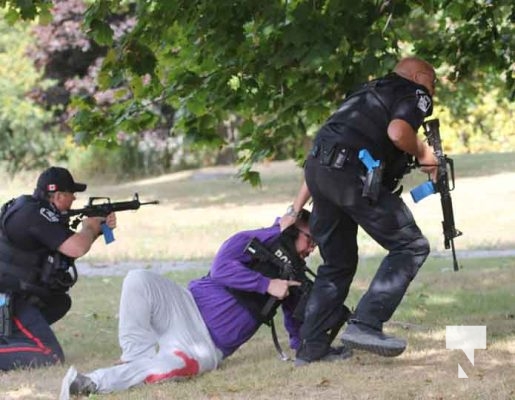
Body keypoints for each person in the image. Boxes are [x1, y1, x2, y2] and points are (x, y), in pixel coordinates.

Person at [60, 210, 350, 398]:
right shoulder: (248, 240)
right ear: (290, 230)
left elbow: (294, 320)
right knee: (138, 278)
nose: (312, 248)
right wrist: (266, 284)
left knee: (166, 367)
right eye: (310, 239)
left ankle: (91, 383)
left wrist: (305, 347)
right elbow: (222, 269)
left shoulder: (293, 274)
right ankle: (136, 354)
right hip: (184, 305)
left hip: (206, 347)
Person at [281, 56, 439, 364]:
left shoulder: (365, 93)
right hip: (350, 173)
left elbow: (324, 152)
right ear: (420, 76)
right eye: (432, 84)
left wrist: (295, 207)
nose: (432, 93)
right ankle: (365, 324)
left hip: (320, 171)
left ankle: (311, 348)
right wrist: (423, 152)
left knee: (337, 263)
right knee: (410, 245)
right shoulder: (413, 92)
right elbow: (398, 132)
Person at [0, 166, 116, 370]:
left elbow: (65, 252)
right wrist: (89, 228)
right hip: (7, 299)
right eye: (72, 195)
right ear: (59, 196)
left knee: (57, 301)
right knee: (49, 356)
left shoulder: (36, 210)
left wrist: (97, 230)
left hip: (13, 295)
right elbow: (76, 247)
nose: (74, 200)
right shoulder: (34, 213)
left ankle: (10, 338)